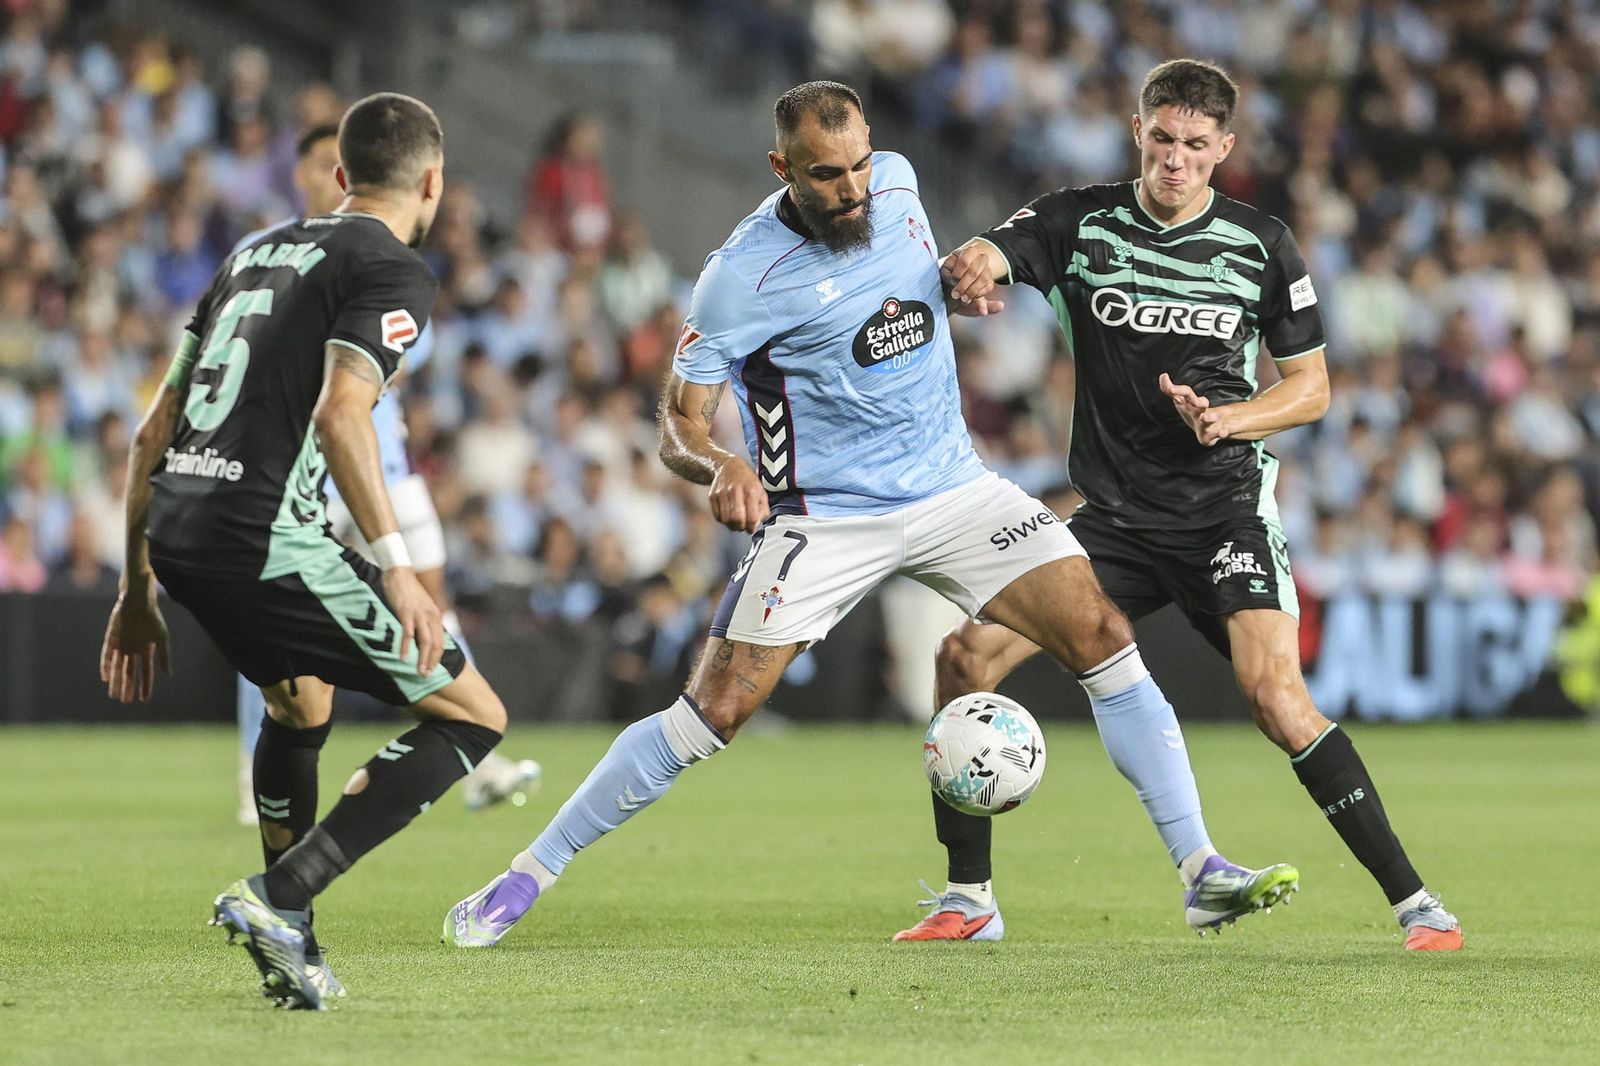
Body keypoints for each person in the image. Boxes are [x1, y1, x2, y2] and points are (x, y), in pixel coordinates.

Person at [442, 81, 1297, 949]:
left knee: (1101, 630)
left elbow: (906, 297)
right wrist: (724, 462)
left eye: (857, 165)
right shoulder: (742, 275)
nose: (851, 189)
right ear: (782, 169)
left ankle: (1199, 870)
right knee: (714, 712)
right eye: (825, 176)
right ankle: (526, 874)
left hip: (952, 487)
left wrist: (959, 288)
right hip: (827, 516)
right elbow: (678, 422)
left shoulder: (898, 182)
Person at [902, 59, 1462, 952]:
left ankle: (1417, 903)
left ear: (1224, 150)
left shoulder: (1260, 242)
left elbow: (1311, 387)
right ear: (1138, 131)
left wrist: (1236, 417)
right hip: (1113, 521)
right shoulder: (1079, 222)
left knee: (1277, 701)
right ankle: (970, 898)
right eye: (1162, 139)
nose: (1175, 160)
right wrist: (972, 265)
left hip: (1224, 512)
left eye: (1196, 146)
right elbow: (995, 253)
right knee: (964, 657)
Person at [100, 92, 510, 1010]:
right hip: (263, 536)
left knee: (298, 706)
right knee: (476, 715)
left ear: (338, 176)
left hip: (178, 531)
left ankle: (294, 944)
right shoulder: (392, 266)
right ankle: (282, 897)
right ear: (434, 181)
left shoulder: (250, 253)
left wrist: (136, 588)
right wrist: (397, 563)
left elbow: (149, 433)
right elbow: (340, 410)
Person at [228, 123, 539, 825]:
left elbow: (395, 367)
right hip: (316, 467)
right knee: (278, 627)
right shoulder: (287, 251)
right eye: (313, 162)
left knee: (430, 602)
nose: (322, 174)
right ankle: (261, 769)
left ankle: (478, 756)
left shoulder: (387, 255)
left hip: (386, 463)